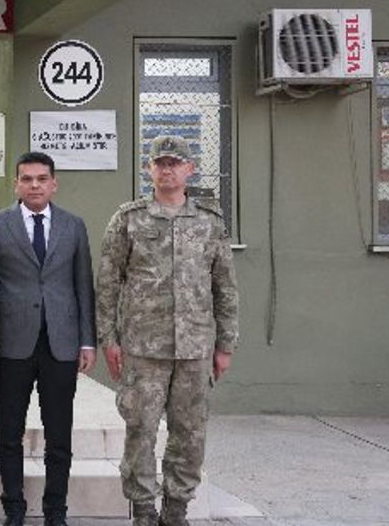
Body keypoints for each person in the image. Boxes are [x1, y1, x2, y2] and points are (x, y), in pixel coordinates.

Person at [98, 135, 239, 526]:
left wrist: (225, 344)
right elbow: (108, 283)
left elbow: (225, 286)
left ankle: (175, 511)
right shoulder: (128, 219)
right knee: (140, 431)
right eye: (160, 163)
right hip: (143, 348)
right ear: (150, 169)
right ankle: (144, 511)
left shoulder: (209, 222)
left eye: (175, 163)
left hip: (194, 349)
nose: (167, 170)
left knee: (189, 434)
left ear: (189, 169)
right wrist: (109, 339)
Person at [0, 152, 95, 526]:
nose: (34, 185)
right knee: (9, 433)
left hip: (61, 343)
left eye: (41, 179)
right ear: (16, 184)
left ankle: (55, 511)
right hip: (12, 344)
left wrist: (87, 341)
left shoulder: (73, 226)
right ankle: (14, 508)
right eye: (26, 179)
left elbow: (83, 285)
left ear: (53, 183)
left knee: (59, 435)